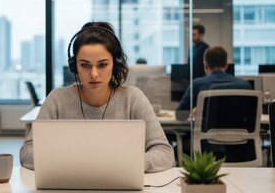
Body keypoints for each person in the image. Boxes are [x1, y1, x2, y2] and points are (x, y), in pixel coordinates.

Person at [20, 22, 174, 173]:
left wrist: (125, 165)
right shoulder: (57, 99)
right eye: (85, 65)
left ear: (116, 64)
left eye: (102, 65)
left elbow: (164, 152)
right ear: (74, 66)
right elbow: (28, 151)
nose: (93, 74)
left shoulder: (132, 98)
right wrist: (75, 165)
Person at [176, 46, 251, 119]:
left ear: (205, 65)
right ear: (226, 65)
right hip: (240, 131)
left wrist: (199, 110)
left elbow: (180, 115)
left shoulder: (197, 84)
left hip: (208, 131)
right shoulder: (245, 85)